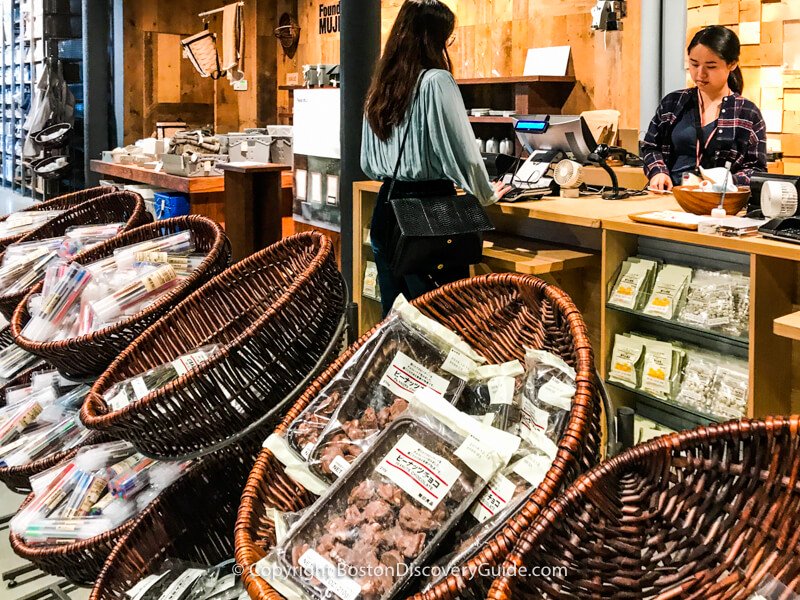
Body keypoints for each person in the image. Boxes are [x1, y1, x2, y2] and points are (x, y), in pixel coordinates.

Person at [361, 0, 510, 316]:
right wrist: (485, 193)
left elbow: (367, 161)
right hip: (430, 213)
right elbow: (466, 153)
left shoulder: (382, 86)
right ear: (435, 38)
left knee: (397, 319)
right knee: (442, 321)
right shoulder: (436, 81)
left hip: (387, 209)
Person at [642, 25, 767, 191]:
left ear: (732, 64)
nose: (700, 74)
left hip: (716, 204)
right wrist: (658, 172)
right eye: (694, 64)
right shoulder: (673, 103)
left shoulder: (747, 113)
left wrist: (726, 181)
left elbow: (757, 171)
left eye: (711, 66)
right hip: (668, 196)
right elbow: (650, 146)